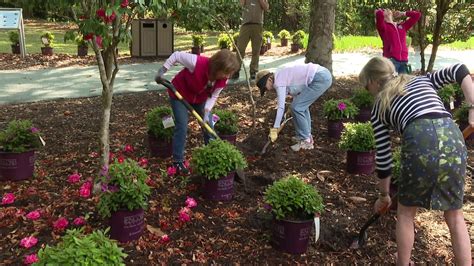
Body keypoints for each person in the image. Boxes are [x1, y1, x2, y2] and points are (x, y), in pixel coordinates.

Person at [359, 57, 473, 265]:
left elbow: (384, 160)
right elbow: (460, 69)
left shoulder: (379, 107)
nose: (370, 93)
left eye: (367, 87)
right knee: (455, 216)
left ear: (374, 82)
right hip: (453, 137)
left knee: (405, 213)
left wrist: (384, 195)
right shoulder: (423, 80)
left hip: (419, 139)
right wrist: (472, 105)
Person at [155, 50, 239, 174]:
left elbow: (213, 97)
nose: (227, 76)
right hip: (179, 94)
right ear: (217, 67)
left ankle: (213, 155)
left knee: (208, 126)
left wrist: (206, 114)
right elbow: (177, 55)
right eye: (226, 72)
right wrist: (162, 71)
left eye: (230, 73)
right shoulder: (197, 63)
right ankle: (178, 161)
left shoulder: (222, 80)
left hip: (200, 99)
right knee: (182, 126)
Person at [255, 63, 332, 152]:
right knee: (299, 107)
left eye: (265, 88)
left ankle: (306, 141)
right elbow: (297, 91)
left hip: (320, 78)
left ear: (269, 79)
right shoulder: (280, 75)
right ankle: (304, 136)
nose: (267, 90)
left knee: (297, 108)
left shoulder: (279, 81)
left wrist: (275, 128)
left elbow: (280, 107)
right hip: (322, 74)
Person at [375, 8, 421, 74]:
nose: (386, 9)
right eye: (384, 10)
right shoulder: (383, 27)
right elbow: (379, 14)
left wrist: (403, 13)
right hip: (391, 60)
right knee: (391, 83)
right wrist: (379, 11)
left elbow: (417, 15)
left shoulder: (402, 26)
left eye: (387, 9)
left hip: (404, 61)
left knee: (404, 83)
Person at [232, 0, 270, 80]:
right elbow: (240, 5)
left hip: (258, 25)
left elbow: (266, 8)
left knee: (256, 50)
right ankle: (236, 71)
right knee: (240, 49)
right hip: (245, 25)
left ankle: (253, 71)